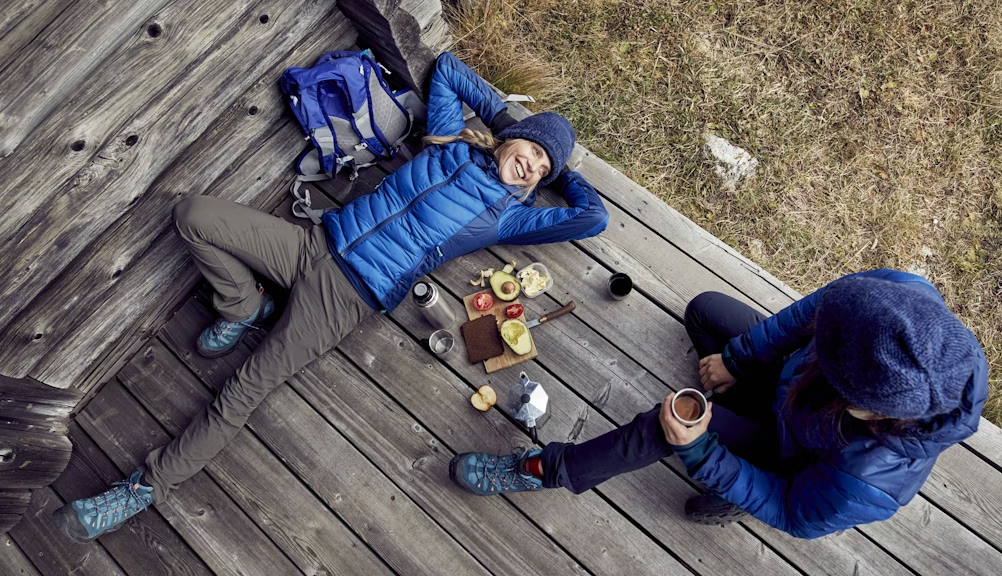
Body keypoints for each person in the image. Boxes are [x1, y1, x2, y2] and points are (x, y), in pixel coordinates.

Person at [55, 52, 608, 542]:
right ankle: (243, 306)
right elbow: (448, 70)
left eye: (541, 171)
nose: (532, 167)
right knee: (193, 215)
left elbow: (593, 216)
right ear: (513, 137)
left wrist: (565, 172)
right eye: (532, 151)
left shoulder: (507, 216)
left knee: (245, 388)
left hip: (349, 295)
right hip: (315, 242)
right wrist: (511, 126)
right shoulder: (447, 139)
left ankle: (144, 488)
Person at [450, 269, 988, 539]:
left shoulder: (870, 481)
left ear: (868, 410)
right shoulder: (895, 298)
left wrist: (703, 450)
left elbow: (792, 512)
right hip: (787, 395)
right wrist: (738, 360)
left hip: (788, 455)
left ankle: (548, 469)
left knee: (664, 425)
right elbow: (808, 316)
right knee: (705, 312)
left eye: (827, 358)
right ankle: (731, 403)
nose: (818, 344)